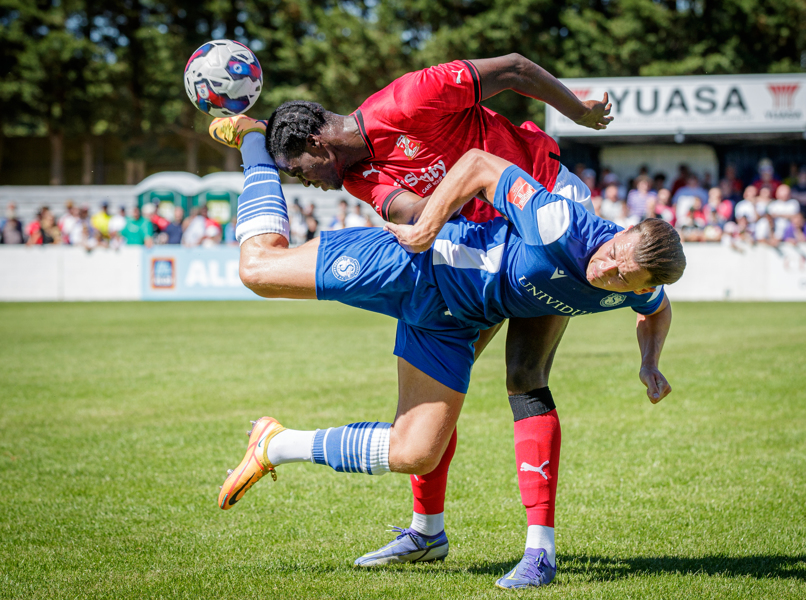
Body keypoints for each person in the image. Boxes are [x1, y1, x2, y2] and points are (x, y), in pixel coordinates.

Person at [208, 54, 615, 577]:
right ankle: (426, 532)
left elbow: (513, 69)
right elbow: (417, 216)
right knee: (433, 405)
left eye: (298, 172)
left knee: (525, 374)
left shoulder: (408, 99)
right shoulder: (359, 176)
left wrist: (576, 111)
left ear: (316, 144)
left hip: (544, 207)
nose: (304, 184)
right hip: (479, 253)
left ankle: (540, 549)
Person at [217, 145, 685, 589]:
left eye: (622, 276)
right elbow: (480, 164)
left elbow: (656, 309)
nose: (606, 269)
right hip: (416, 263)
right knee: (259, 270)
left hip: (450, 325)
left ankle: (276, 445)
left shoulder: (636, 286)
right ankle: (256, 144)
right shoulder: (560, 224)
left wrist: (650, 362)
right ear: (622, 230)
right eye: (611, 255)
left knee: (415, 451)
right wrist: (427, 226)